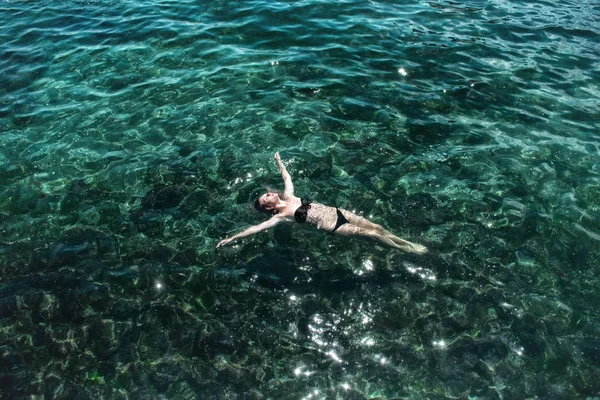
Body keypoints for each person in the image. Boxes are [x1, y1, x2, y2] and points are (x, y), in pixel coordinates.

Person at [216, 152, 428, 254]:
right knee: (371, 235)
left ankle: (403, 241)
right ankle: (408, 249)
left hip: (338, 212)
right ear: (269, 208)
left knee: (378, 227)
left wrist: (279, 161)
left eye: (268, 194)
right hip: (333, 225)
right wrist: (233, 237)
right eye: (266, 198)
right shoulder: (280, 216)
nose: (269, 194)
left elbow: (287, 178)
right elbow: (256, 228)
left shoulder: (290, 196)